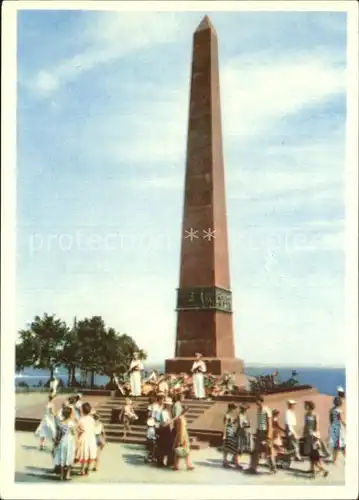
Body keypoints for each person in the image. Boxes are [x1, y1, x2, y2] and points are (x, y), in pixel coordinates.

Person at [248, 395, 276, 474]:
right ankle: (253, 468)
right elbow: (259, 423)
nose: (256, 402)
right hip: (259, 432)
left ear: (260, 400)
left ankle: (273, 469)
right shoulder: (258, 409)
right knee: (255, 451)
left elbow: (269, 423)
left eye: (257, 400)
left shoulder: (266, 410)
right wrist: (256, 432)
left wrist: (269, 435)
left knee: (268, 452)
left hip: (265, 433)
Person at [53, 406, 76, 481]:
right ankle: (68, 475)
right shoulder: (71, 423)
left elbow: (59, 431)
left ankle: (62, 475)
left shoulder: (61, 422)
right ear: (70, 414)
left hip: (63, 440)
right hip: (70, 440)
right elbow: (73, 432)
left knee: (63, 456)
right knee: (69, 456)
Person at [76, 402, 97, 476]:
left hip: (84, 437)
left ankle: (82, 470)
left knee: (84, 453)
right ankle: (87, 469)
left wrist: (79, 431)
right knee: (90, 452)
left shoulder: (81, 420)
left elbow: (77, 428)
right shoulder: (92, 419)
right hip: (91, 437)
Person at [329, 396, 346, 464]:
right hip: (339, 428)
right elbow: (341, 420)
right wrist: (346, 426)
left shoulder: (331, 410)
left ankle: (334, 460)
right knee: (343, 445)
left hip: (333, 427)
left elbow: (331, 420)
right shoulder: (339, 410)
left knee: (335, 445)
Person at [222, 403, 239, 468]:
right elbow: (225, 425)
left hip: (231, 431)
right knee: (226, 447)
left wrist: (235, 420)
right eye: (233, 408)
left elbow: (231, 423)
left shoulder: (229, 415)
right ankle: (225, 461)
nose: (234, 410)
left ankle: (227, 461)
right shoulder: (227, 415)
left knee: (229, 446)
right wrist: (224, 435)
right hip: (228, 432)